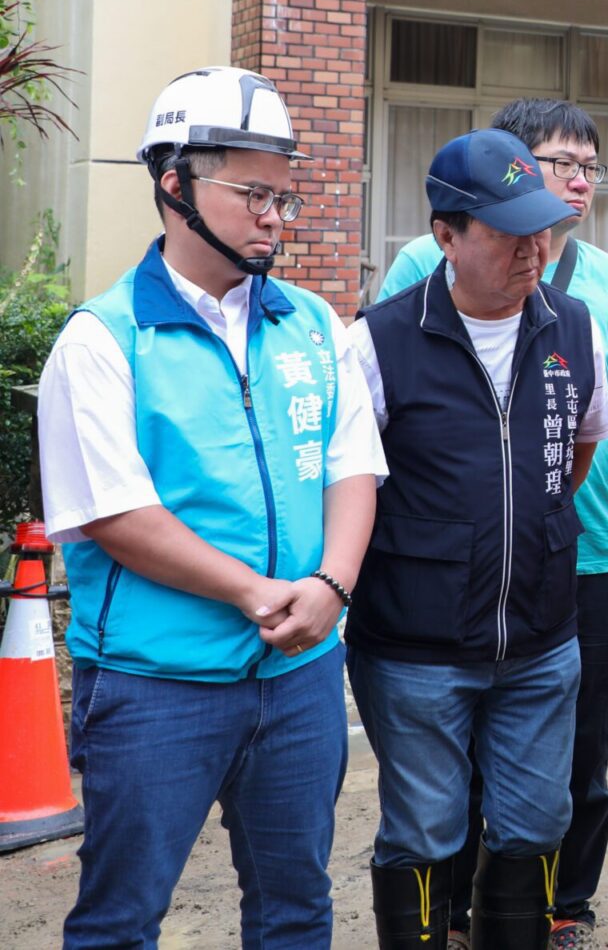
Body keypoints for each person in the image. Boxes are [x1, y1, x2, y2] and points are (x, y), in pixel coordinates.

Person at [40, 66, 381, 947]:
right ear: (174, 184)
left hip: (301, 674)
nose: (274, 215)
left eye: (284, 195)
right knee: (121, 918)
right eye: (252, 192)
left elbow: (352, 469)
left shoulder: (313, 325)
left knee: (298, 909)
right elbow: (117, 514)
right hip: (158, 684)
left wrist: (331, 588)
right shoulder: (104, 338)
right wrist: (257, 593)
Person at [380, 99, 608, 950]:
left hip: (559, 592)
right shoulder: (398, 308)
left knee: (556, 789)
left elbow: (582, 447)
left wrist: (530, 521)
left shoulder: (588, 304)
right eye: (508, 232)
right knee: (433, 806)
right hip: (430, 612)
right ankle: (444, 920)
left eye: (588, 168)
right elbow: (372, 460)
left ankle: (545, 918)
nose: (535, 247)